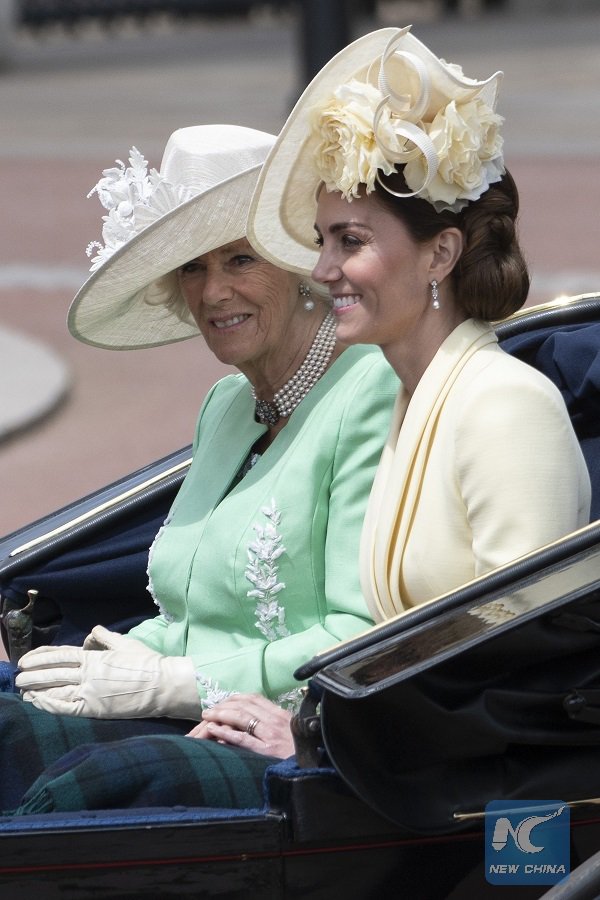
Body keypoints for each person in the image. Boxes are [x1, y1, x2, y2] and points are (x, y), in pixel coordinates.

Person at [0, 124, 399, 814]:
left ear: (302, 263)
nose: (213, 291)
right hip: (187, 714)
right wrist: (107, 658)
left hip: (295, 742)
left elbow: (357, 634)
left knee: (84, 789)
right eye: (192, 267)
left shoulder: (373, 392)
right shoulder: (226, 405)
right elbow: (194, 612)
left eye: (240, 260)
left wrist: (168, 682)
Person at [247, 26, 591, 620]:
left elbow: (517, 648)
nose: (324, 269)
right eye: (321, 241)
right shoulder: (410, 397)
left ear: (440, 254)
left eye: (350, 241)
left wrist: (310, 717)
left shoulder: (505, 405)